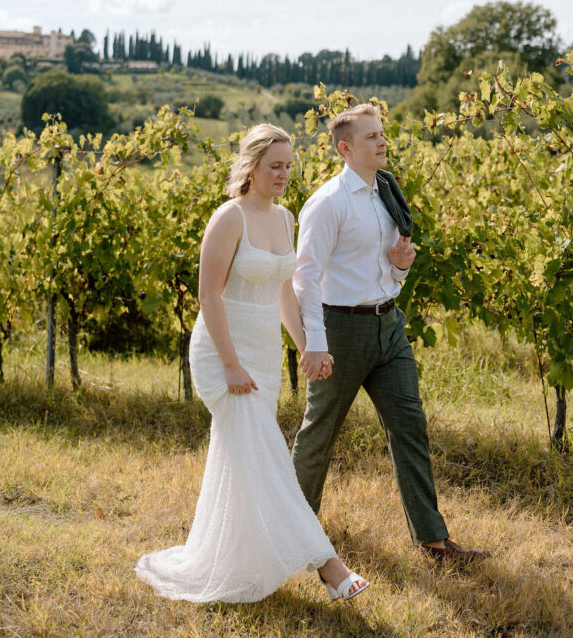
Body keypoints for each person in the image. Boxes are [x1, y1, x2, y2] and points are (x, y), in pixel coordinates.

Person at [135, 124, 369, 603]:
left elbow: (285, 292)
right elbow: (209, 297)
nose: (284, 174)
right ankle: (330, 566)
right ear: (252, 166)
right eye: (274, 166)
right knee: (269, 461)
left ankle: (230, 561)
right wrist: (230, 365)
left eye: (288, 166)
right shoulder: (229, 218)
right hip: (224, 355)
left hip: (261, 357)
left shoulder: (285, 220)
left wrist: (306, 346)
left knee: (244, 462)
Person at [292, 104, 489, 564]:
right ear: (345, 148)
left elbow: (386, 266)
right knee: (318, 435)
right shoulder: (327, 203)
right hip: (340, 331)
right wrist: (315, 343)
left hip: (389, 325)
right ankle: (293, 537)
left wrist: (399, 270)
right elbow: (306, 276)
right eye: (370, 137)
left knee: (410, 427)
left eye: (382, 134)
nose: (382, 142)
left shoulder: (385, 192)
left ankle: (434, 541)